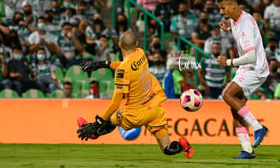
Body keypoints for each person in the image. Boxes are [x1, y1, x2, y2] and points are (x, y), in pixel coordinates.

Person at [77, 31, 193, 159]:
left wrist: (97, 123)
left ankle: (95, 133)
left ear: (120, 45)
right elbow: (125, 65)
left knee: (112, 119)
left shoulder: (122, 72)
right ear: (136, 44)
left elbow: (115, 103)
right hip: (154, 108)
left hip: (136, 113)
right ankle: (183, 146)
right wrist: (103, 64)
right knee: (167, 148)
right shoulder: (141, 53)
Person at [216, 0, 269, 159]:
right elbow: (236, 26)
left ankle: (258, 127)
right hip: (248, 67)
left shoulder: (245, 23)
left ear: (233, 5)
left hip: (254, 68)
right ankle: (247, 149)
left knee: (227, 94)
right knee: (235, 108)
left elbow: (251, 56)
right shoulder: (236, 19)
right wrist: (229, 27)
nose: (221, 12)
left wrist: (229, 63)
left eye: (223, 8)